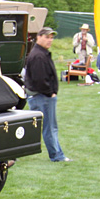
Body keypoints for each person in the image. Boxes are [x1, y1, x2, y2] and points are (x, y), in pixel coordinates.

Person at [24, 28, 70, 162]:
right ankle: (56, 156)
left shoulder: (41, 53)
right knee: (49, 128)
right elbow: (40, 79)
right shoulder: (38, 55)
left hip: (42, 96)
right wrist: (50, 93)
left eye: (51, 37)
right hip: (42, 96)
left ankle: (58, 154)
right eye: (47, 37)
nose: (50, 40)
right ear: (39, 37)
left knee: (51, 127)